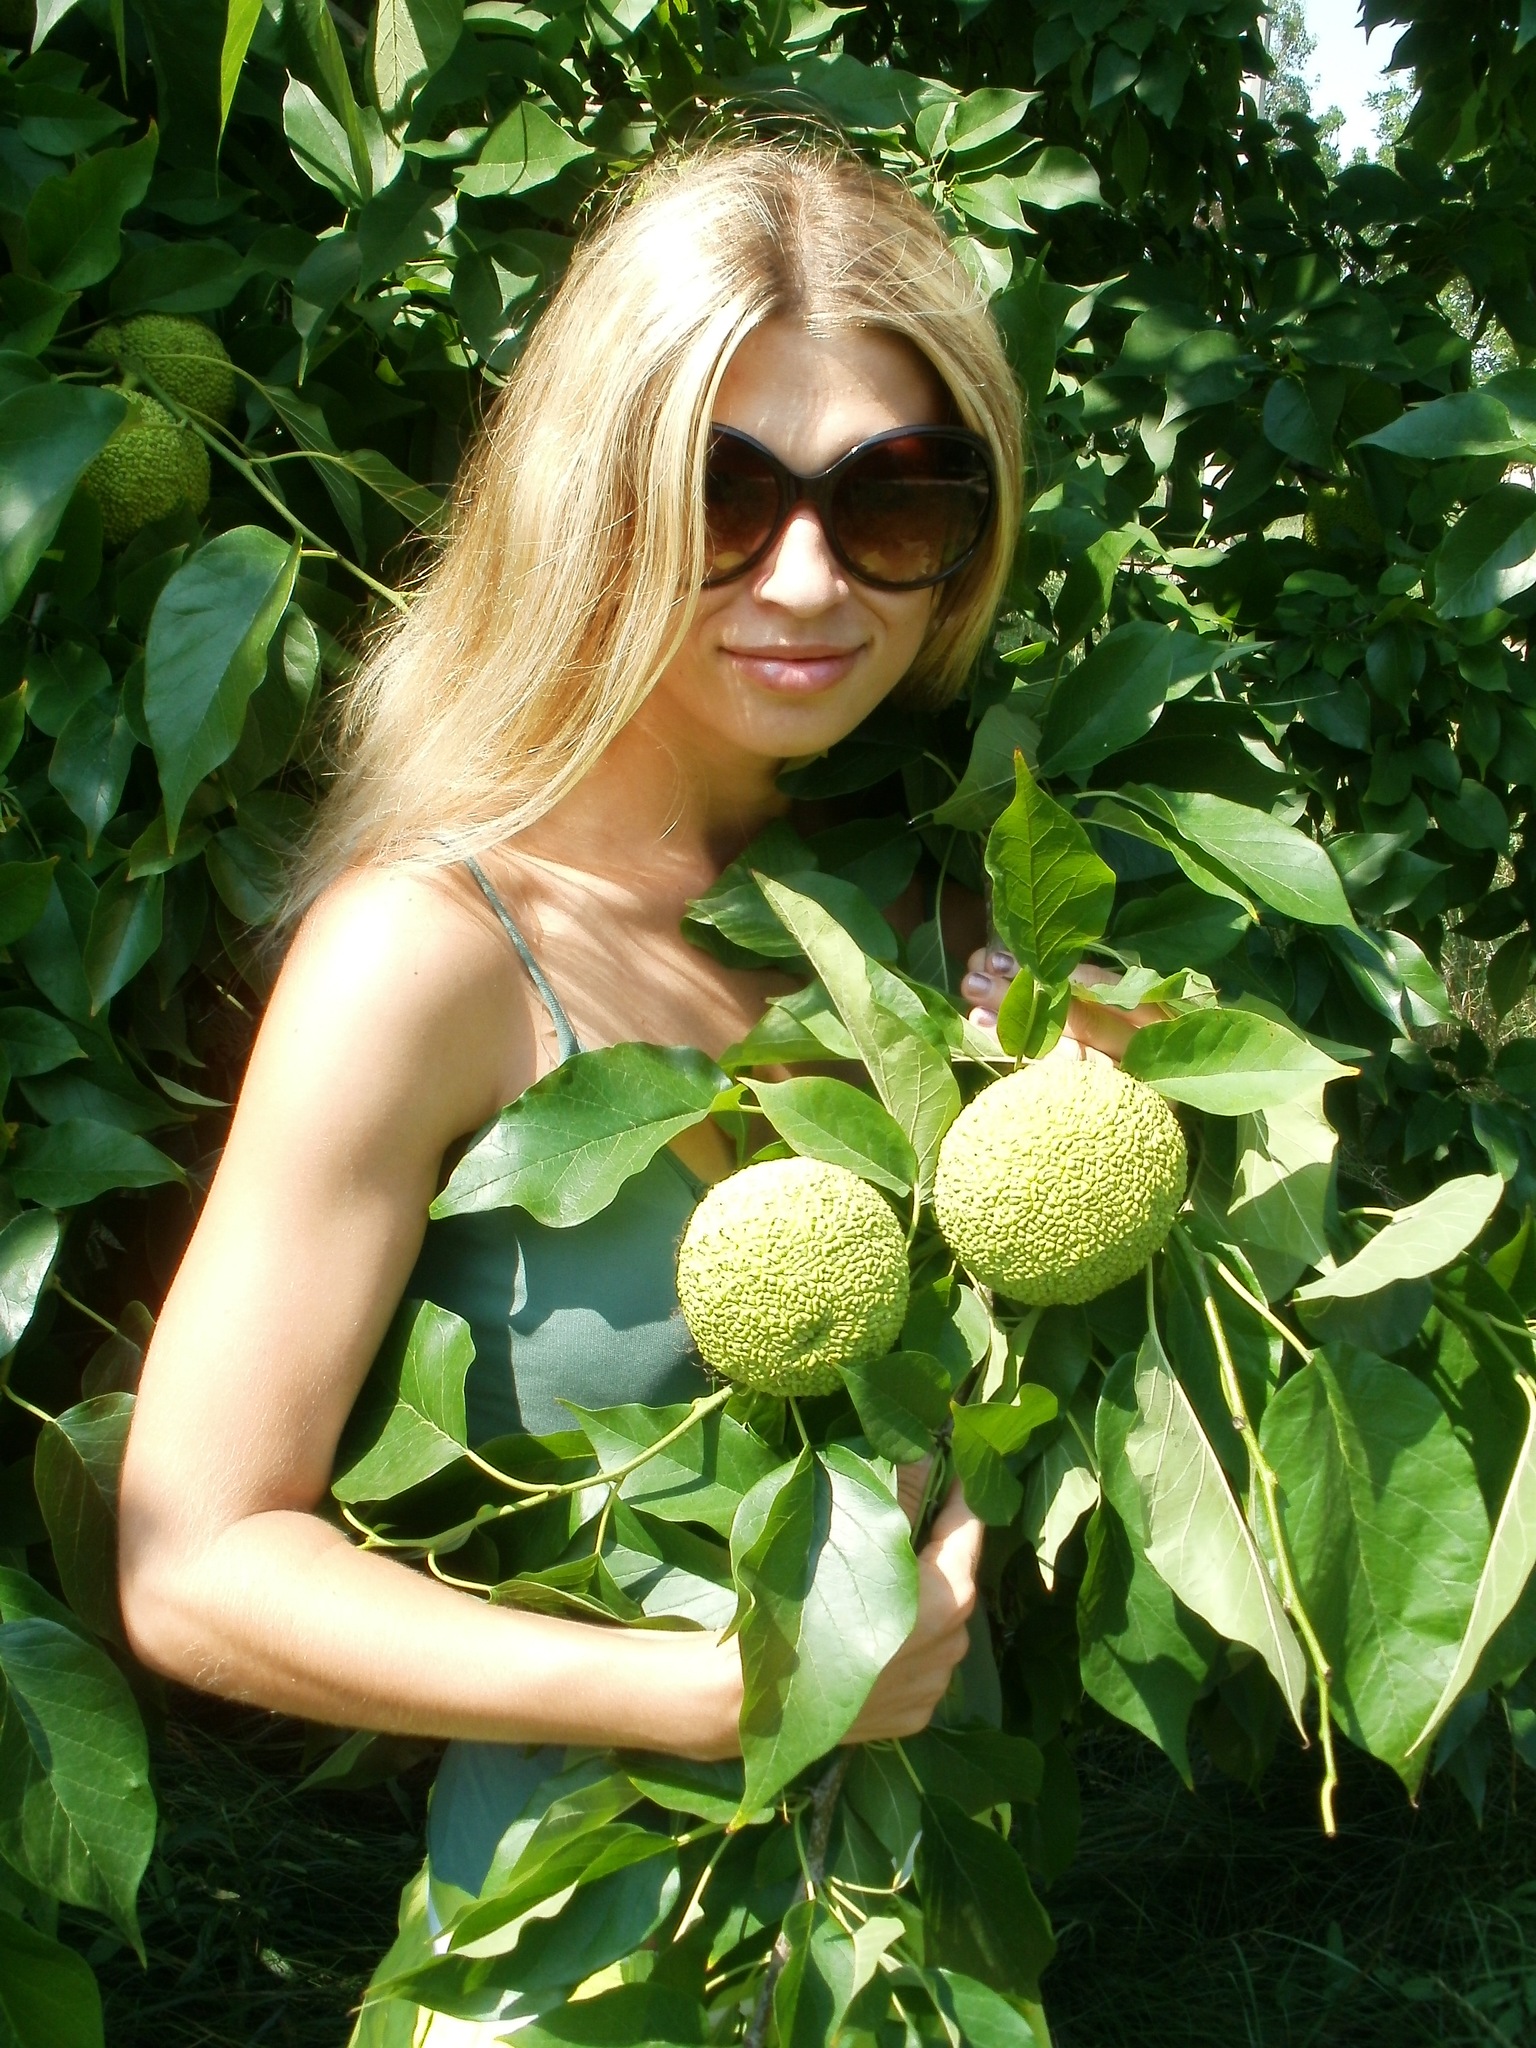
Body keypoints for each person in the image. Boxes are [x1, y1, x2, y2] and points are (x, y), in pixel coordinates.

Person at [117, 139, 1147, 2044]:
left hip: (925, 1959)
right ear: (589, 501)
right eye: (720, 497)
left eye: (894, 500)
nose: (808, 579)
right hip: (572, 1977)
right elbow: (197, 1567)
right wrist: (716, 1694)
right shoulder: (428, 953)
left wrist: (1100, 1113)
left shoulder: (943, 925)